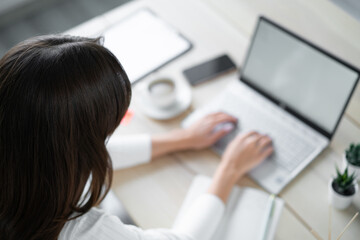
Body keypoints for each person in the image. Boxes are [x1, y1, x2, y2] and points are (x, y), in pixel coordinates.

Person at [0, 35, 273, 240]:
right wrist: (229, 170)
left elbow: (68, 149)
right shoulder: (77, 230)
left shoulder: (19, 148)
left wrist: (183, 138)